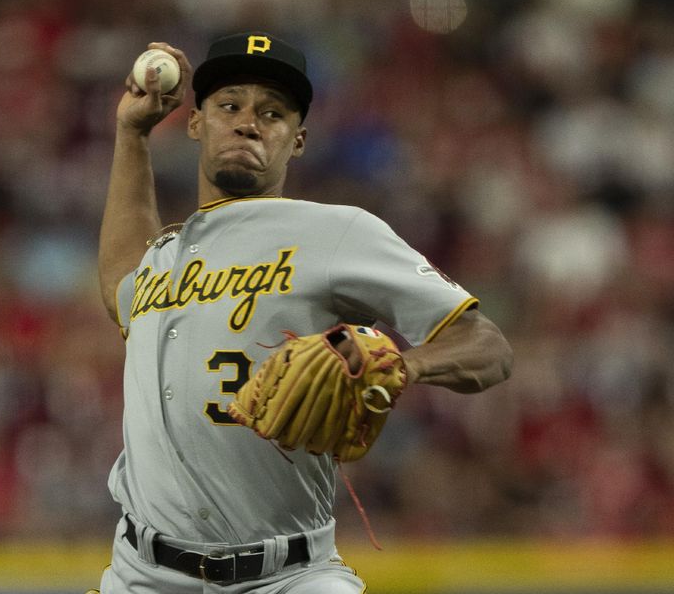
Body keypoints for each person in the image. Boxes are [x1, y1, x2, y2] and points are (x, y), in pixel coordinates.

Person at [93, 32, 513, 593]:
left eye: (272, 113)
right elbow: (122, 282)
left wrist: (403, 366)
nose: (248, 122)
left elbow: (487, 346)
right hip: (142, 573)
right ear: (195, 123)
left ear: (298, 141)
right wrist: (132, 133)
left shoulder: (335, 231)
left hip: (288, 576)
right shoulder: (164, 257)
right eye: (229, 105)